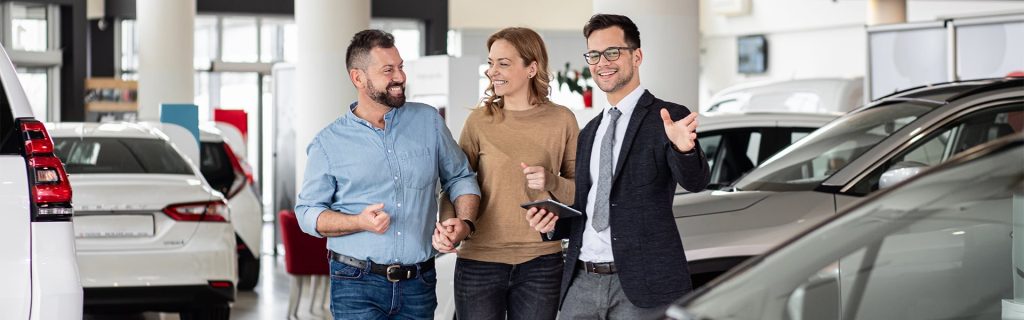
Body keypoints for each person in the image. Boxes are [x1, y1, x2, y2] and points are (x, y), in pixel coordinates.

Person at [526, 14, 710, 318]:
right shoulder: (589, 132)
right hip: (581, 282)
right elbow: (588, 208)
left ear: (636, 56)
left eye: (613, 52)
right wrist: (552, 223)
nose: (602, 62)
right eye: (594, 55)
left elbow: (696, 182)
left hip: (642, 287)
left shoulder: (667, 117)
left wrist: (683, 148)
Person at [294, 29, 481, 320]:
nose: (400, 77)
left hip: (419, 282)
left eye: (401, 67)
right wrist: (358, 222)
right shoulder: (328, 143)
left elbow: (459, 177)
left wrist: (464, 222)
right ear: (358, 78)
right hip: (355, 283)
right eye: (388, 70)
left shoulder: (429, 121)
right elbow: (307, 213)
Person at [436, 27, 578, 320]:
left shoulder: (562, 119)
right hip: (479, 262)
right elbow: (454, 183)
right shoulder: (479, 121)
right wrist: (450, 223)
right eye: (490, 62)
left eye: (503, 63)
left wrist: (551, 182)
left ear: (531, 68)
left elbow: (580, 189)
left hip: (541, 263)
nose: (491, 71)